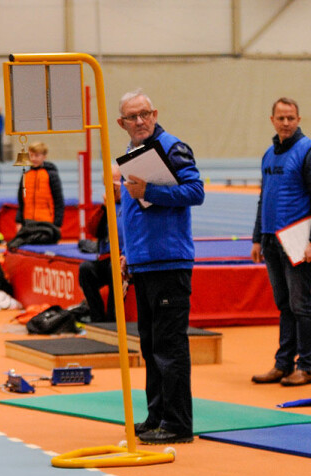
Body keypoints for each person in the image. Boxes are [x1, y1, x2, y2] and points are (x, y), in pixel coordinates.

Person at [116, 89, 204, 445]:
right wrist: (128, 253)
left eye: (145, 114)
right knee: (151, 348)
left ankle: (178, 424)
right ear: (122, 123)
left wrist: (150, 191)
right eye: (132, 117)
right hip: (144, 263)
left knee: (169, 348)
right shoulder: (132, 155)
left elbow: (195, 192)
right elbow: (132, 211)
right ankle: (157, 417)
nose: (140, 121)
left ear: (154, 114)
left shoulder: (173, 148)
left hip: (169, 262)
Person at [251, 97, 311, 387]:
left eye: (291, 118)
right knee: (284, 305)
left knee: (300, 304)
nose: (286, 123)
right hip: (270, 240)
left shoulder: (310, 152)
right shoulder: (268, 154)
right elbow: (263, 198)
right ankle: (283, 364)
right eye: (281, 118)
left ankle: (306, 367)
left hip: (296, 241)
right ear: (272, 120)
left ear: (299, 120)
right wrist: (257, 238)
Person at [78, 166, 124, 323]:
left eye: (116, 183)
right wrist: (104, 208)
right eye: (109, 184)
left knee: (114, 268)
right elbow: (92, 230)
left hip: (124, 259)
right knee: (86, 269)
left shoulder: (131, 205)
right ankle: (97, 318)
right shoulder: (105, 207)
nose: (114, 188)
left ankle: (113, 319)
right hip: (106, 257)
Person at [15, 141, 64, 233]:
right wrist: (19, 221)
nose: (33, 158)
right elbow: (21, 202)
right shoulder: (26, 176)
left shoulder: (51, 175)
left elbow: (58, 201)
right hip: (28, 221)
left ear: (44, 157)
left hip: (47, 221)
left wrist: (58, 224)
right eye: (31, 155)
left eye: (37, 155)